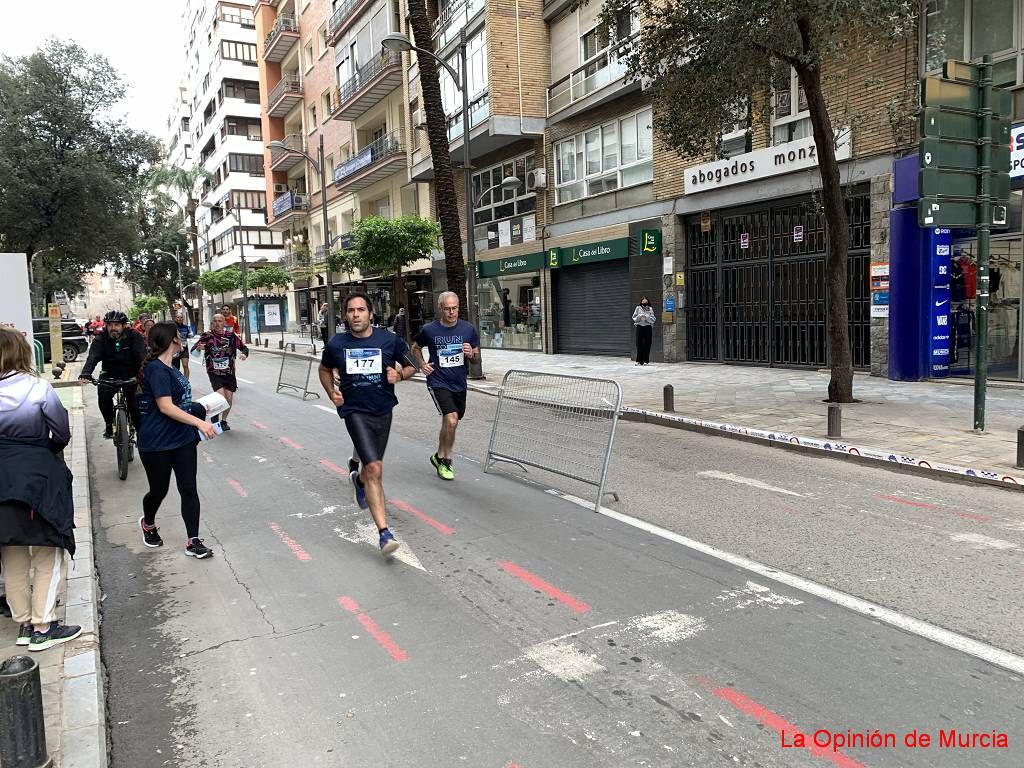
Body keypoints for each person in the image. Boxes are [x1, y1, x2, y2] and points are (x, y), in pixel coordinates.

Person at [0, 326, 82, 651]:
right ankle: (43, 626)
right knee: (47, 551)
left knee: (12, 553)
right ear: (23, 352)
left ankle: (22, 624)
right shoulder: (38, 388)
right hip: (37, 481)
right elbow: (60, 433)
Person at [318, 293, 414, 557]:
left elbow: (413, 364)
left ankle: (358, 482)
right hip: (354, 410)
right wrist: (331, 393)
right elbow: (324, 370)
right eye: (351, 310)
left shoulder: (389, 339)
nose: (356, 314)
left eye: (361, 310)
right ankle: (384, 533)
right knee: (374, 467)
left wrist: (401, 375)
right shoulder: (337, 344)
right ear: (345, 315)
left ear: (371, 314)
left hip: (383, 410)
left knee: (371, 471)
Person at [137, 322, 218, 559]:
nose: (182, 339)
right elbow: (165, 407)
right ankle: (148, 523)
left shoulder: (171, 367)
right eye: (179, 336)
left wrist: (201, 408)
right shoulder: (156, 370)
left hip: (182, 439)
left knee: (188, 489)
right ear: (171, 340)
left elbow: (179, 404)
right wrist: (200, 423)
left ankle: (193, 541)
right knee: (158, 490)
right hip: (157, 443)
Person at [411, 291, 480, 481]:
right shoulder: (429, 330)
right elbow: (415, 347)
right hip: (438, 381)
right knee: (451, 420)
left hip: (459, 382)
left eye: (455, 308)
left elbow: (476, 359)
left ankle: (439, 455)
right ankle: (446, 461)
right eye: (448, 309)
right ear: (441, 309)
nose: (452, 312)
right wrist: (422, 364)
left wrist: (471, 354)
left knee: (451, 421)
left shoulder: (468, 330)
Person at [79, 310, 147, 439]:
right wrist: (85, 373)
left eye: (116, 325)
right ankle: (109, 424)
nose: (113, 328)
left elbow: (142, 357)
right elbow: (92, 357)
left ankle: (140, 431)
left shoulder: (134, 336)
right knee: (103, 397)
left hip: (131, 375)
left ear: (123, 325)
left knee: (135, 404)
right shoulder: (100, 338)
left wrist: (146, 373)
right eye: (110, 325)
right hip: (109, 375)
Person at [195, 314, 248, 432]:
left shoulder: (231, 336)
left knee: (229, 398)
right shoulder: (207, 336)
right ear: (212, 322)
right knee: (221, 397)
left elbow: (244, 348)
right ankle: (215, 418)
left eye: (220, 321)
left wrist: (244, 354)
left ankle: (223, 421)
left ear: (224, 323)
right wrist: (198, 348)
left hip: (229, 372)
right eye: (215, 321)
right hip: (214, 372)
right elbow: (194, 352)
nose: (217, 323)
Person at [632, 296, 656, 366]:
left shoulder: (650, 309)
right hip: (639, 327)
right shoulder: (638, 308)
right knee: (639, 344)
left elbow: (653, 319)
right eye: (643, 302)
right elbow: (634, 317)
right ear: (641, 302)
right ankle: (639, 361)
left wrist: (646, 317)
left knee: (647, 344)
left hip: (648, 327)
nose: (644, 304)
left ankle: (646, 360)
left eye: (646, 302)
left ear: (648, 302)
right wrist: (640, 316)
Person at [172, 311, 193, 378]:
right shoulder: (172, 327)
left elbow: (189, 335)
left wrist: (190, 335)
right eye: (178, 317)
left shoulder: (186, 327)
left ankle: (186, 383)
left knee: (185, 365)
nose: (179, 319)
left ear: (183, 318)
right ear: (175, 318)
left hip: (184, 348)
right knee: (175, 367)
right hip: (175, 349)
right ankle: (176, 381)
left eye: (181, 317)